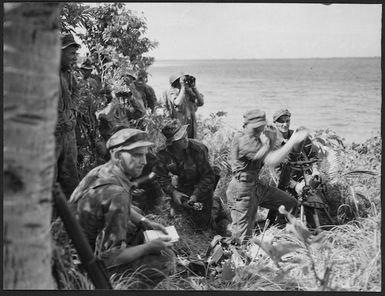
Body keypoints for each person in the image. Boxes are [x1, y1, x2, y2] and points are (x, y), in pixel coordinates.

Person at [69, 128, 175, 288]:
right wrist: (149, 247)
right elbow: (110, 258)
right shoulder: (118, 194)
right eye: (137, 155)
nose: (144, 161)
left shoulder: (100, 171)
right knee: (165, 259)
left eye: (145, 154)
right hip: (79, 267)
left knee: (137, 214)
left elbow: (113, 204)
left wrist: (144, 221)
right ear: (118, 156)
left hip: (68, 247)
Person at [226, 109, 310, 244]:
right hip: (241, 190)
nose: (260, 130)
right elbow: (271, 160)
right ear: (246, 125)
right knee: (241, 240)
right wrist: (292, 141)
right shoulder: (243, 139)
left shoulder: (256, 136)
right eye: (257, 128)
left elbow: (276, 150)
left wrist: (275, 140)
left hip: (256, 186)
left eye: (261, 126)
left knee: (290, 204)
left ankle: (287, 240)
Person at [155, 119, 215, 232]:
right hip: (182, 186)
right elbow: (162, 177)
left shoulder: (198, 149)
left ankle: (217, 213)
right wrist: (174, 192)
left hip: (202, 187)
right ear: (171, 142)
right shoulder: (162, 154)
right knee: (177, 221)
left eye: (186, 135)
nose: (185, 140)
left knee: (202, 227)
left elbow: (208, 177)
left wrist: (195, 196)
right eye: (180, 139)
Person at [54, 33, 81, 199]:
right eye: (71, 53)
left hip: (68, 135)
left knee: (70, 179)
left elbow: (77, 90)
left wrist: (72, 110)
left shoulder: (68, 75)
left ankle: (70, 220)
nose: (74, 57)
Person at [162, 72, 204, 138]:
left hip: (191, 127)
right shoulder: (171, 91)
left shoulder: (189, 91)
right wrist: (183, 88)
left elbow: (201, 103)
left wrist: (194, 88)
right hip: (178, 128)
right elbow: (177, 102)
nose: (186, 82)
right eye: (183, 81)